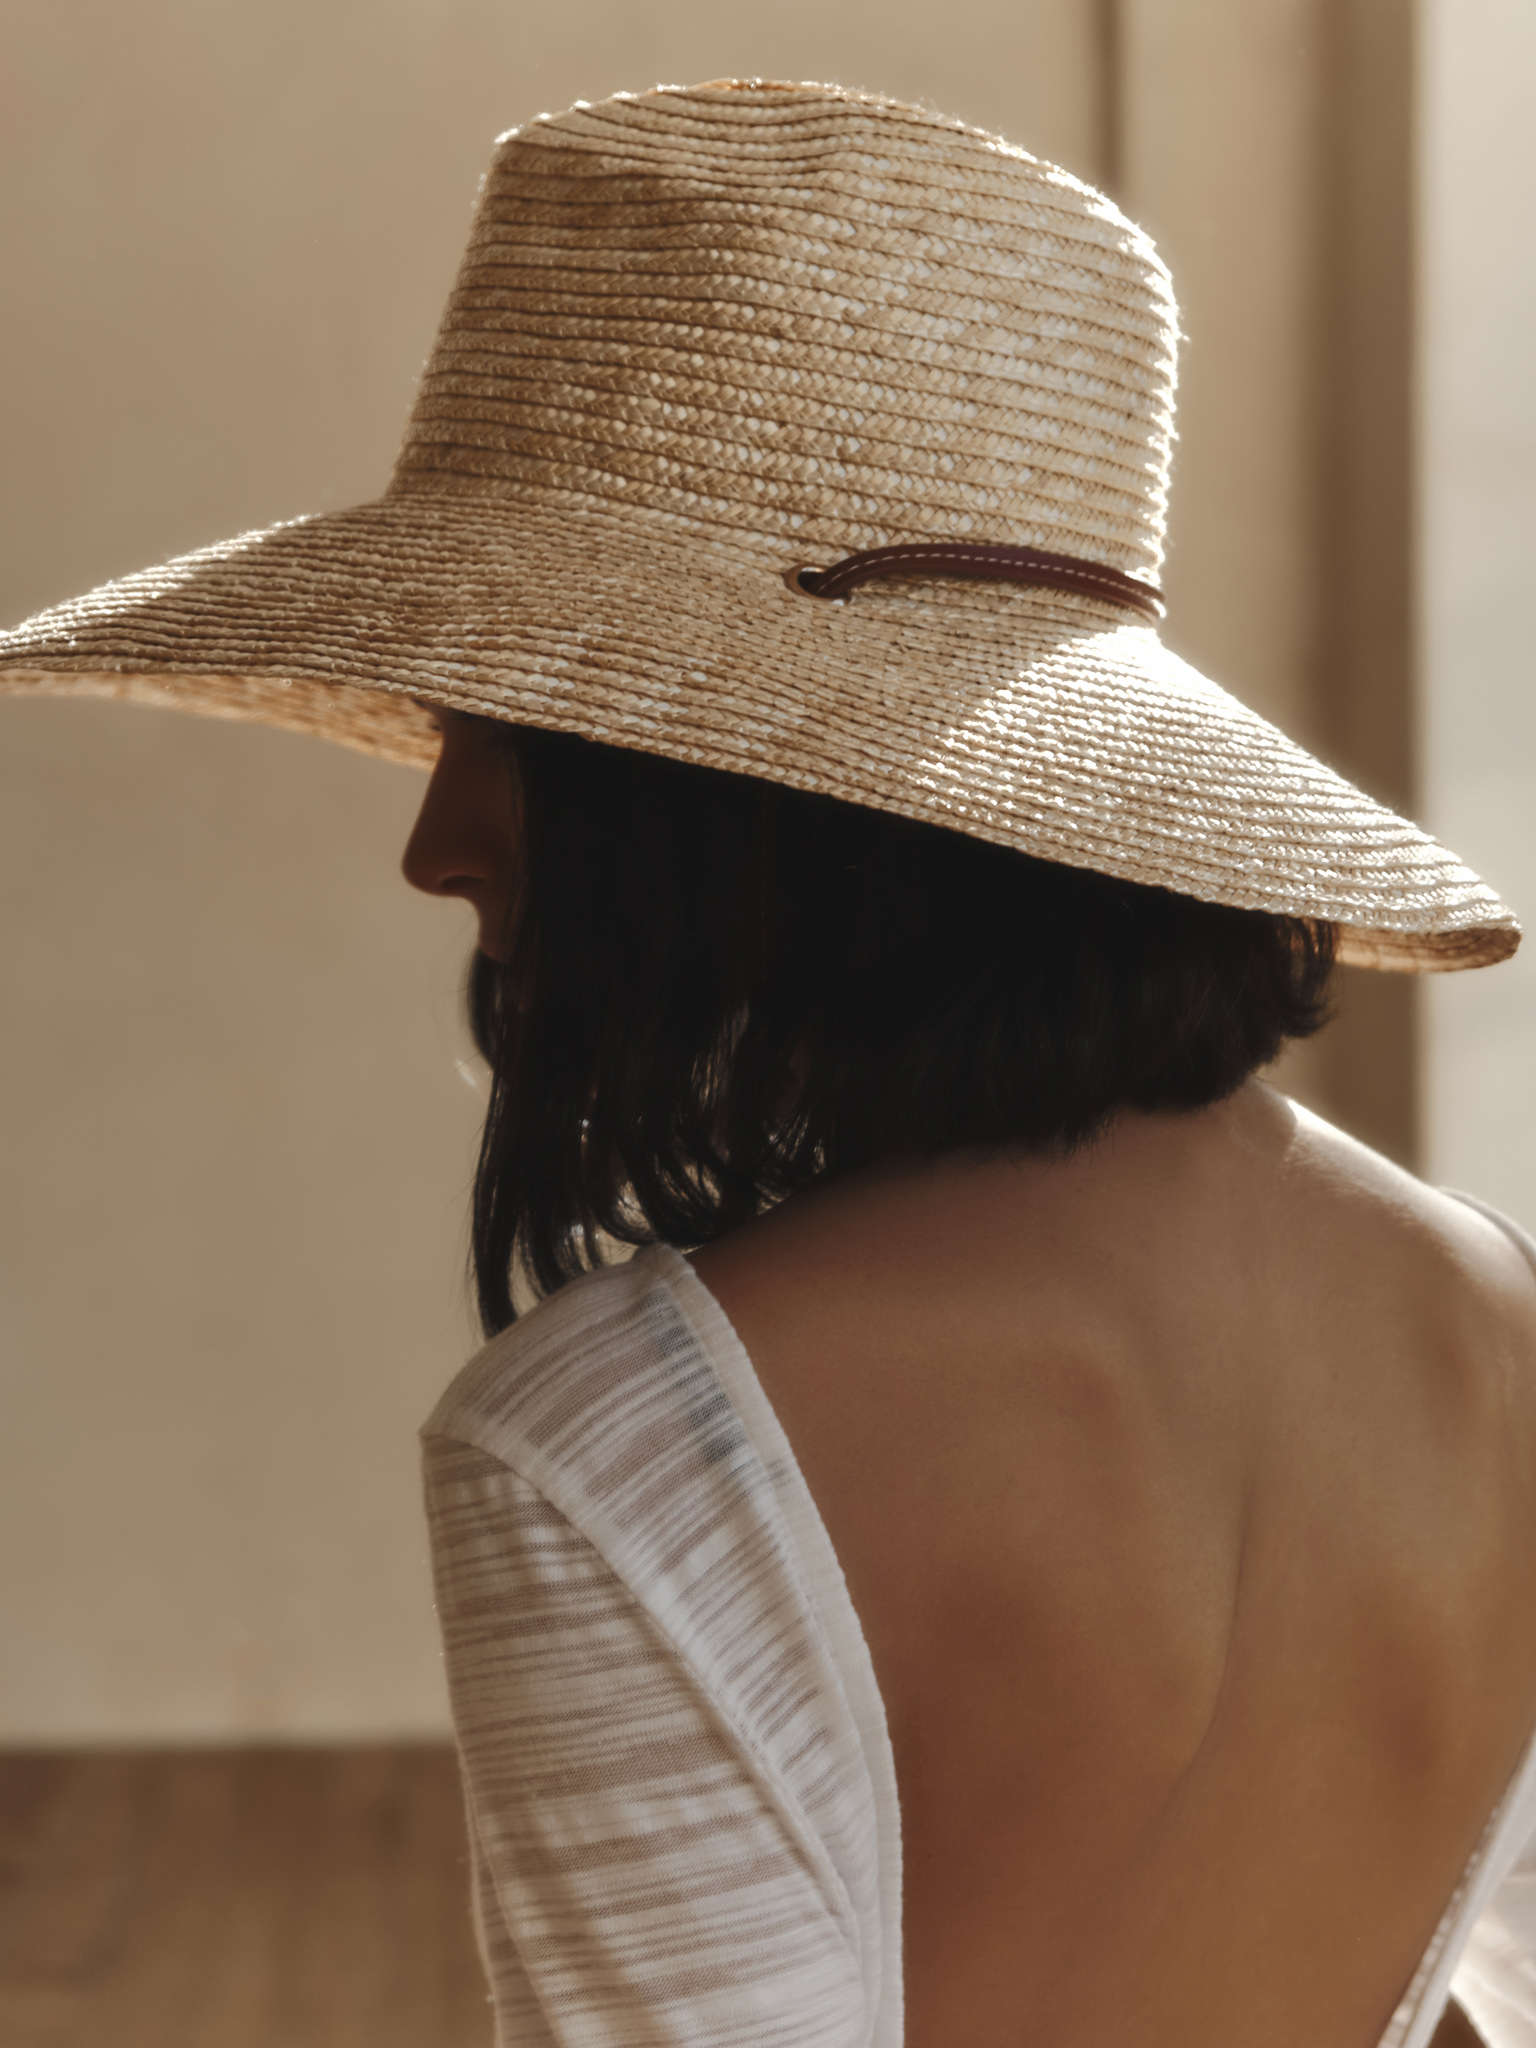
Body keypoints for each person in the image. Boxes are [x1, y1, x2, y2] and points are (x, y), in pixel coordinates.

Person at [3, 78, 1533, 2048]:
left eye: (509, 721)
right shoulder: (1495, 1321)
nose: (436, 834)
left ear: (742, 800)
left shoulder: (630, 1438)